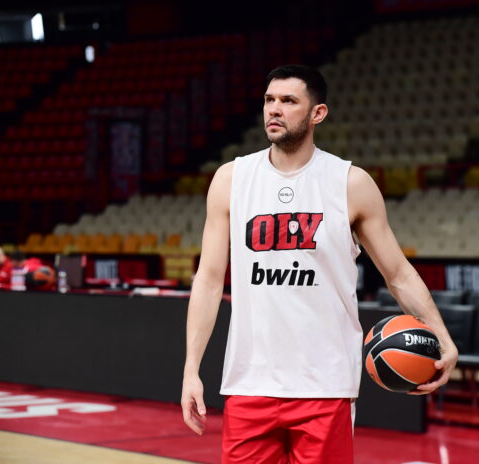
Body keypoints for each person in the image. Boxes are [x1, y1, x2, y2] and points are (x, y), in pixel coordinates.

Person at [181, 64, 458, 463]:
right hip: (249, 381)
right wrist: (191, 369)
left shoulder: (350, 183)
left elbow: (398, 274)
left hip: (325, 385)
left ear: (318, 113)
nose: (274, 109)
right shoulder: (231, 179)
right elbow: (208, 281)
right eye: (269, 100)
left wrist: (443, 336)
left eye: (288, 101)